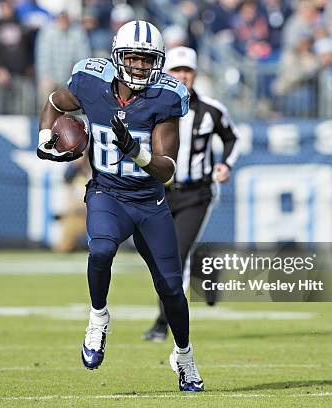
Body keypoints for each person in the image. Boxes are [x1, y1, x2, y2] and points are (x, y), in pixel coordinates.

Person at [36, 20, 204, 392]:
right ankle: (98, 317)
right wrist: (46, 138)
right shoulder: (90, 83)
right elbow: (52, 103)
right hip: (107, 193)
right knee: (101, 249)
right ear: (117, 56)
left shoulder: (165, 97)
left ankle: (185, 357)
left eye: (148, 60)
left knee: (172, 289)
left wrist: (138, 153)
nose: (141, 66)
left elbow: (168, 170)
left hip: (149, 202)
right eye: (133, 57)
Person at [143, 47, 239, 342]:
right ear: (164, 73)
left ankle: (163, 322)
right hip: (160, 191)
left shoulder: (210, 109)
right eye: (176, 70)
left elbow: (232, 137)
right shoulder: (150, 106)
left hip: (196, 193)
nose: (182, 76)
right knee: (159, 256)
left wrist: (225, 164)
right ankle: (204, 271)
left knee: (175, 255)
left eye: (187, 71)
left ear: (195, 74)